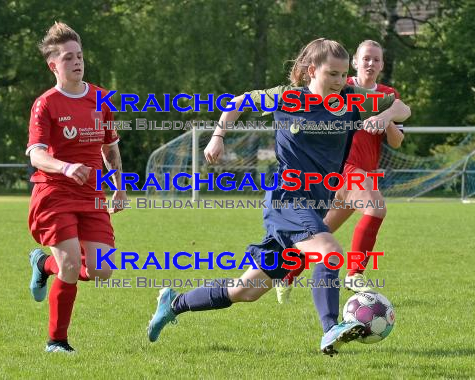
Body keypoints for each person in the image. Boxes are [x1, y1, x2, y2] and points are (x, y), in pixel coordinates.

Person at [146, 38, 410, 355]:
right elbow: (238, 102)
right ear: (312, 71)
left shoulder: (351, 100)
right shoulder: (286, 98)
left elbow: (402, 108)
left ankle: (173, 303)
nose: (340, 82)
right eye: (332, 74)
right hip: (286, 198)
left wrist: (385, 115)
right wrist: (218, 136)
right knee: (330, 252)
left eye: (342, 75)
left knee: (245, 290)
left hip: (314, 204)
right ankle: (330, 330)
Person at [276, 39, 404, 303]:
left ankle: (286, 273)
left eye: (376, 59)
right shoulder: (343, 88)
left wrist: (385, 116)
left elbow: (396, 141)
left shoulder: (387, 95)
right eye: (366, 58)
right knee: (376, 208)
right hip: (344, 167)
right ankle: (355, 274)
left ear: (382, 65)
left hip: (364, 172)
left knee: (321, 233)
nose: (371, 63)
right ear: (355, 62)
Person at [26, 22, 126, 353]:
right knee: (70, 265)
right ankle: (57, 341)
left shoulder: (100, 99)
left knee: (102, 269)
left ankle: (43, 265)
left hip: (92, 194)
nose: (77, 62)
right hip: (54, 192)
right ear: (53, 65)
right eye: (69, 58)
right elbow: (37, 155)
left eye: (80, 56)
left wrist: (119, 186)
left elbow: (110, 148)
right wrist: (67, 167)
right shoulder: (45, 104)